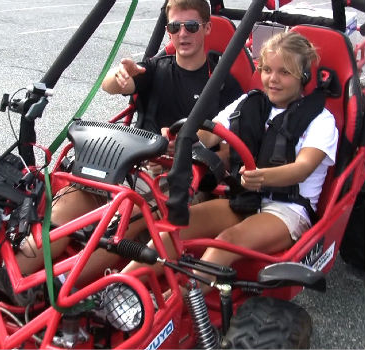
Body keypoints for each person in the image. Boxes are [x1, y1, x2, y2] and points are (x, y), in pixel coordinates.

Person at [13, 0, 242, 281]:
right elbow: (114, 85)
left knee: (127, 211)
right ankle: (9, 278)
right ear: (168, 31)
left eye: (191, 26)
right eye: (175, 26)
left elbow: (228, 152)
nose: (182, 34)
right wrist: (117, 77)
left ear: (206, 28)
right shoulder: (155, 69)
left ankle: (54, 288)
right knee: (70, 202)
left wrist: (190, 147)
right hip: (131, 165)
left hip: (180, 179)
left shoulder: (224, 84)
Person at [123, 31, 339, 295]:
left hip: (287, 209)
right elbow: (209, 132)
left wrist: (264, 177)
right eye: (267, 69)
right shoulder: (249, 102)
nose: (272, 79)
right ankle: (119, 288)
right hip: (245, 198)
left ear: (303, 77)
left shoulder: (321, 121)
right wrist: (179, 139)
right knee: (177, 227)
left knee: (226, 242)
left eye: (284, 73)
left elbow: (303, 167)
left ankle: (166, 310)